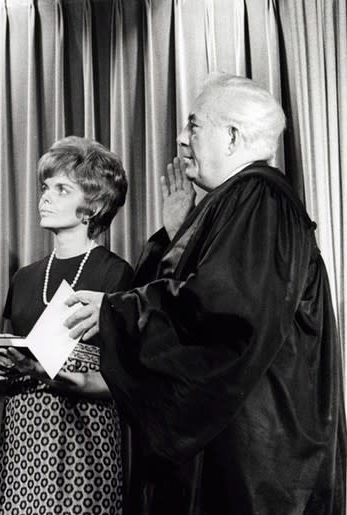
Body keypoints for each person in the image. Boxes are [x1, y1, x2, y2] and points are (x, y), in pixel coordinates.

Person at [65, 74, 346, 513]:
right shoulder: (243, 202)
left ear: (232, 137)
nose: (180, 140)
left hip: (251, 464)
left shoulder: (260, 196)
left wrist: (114, 311)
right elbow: (206, 293)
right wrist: (179, 236)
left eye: (194, 126)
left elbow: (222, 312)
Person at [0, 136, 133, 514]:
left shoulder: (115, 274)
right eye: (45, 187)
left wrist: (66, 377)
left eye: (61, 189)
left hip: (85, 436)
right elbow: (5, 369)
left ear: (94, 204)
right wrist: (1, 369)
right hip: (24, 435)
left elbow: (127, 377)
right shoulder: (24, 278)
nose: (45, 198)